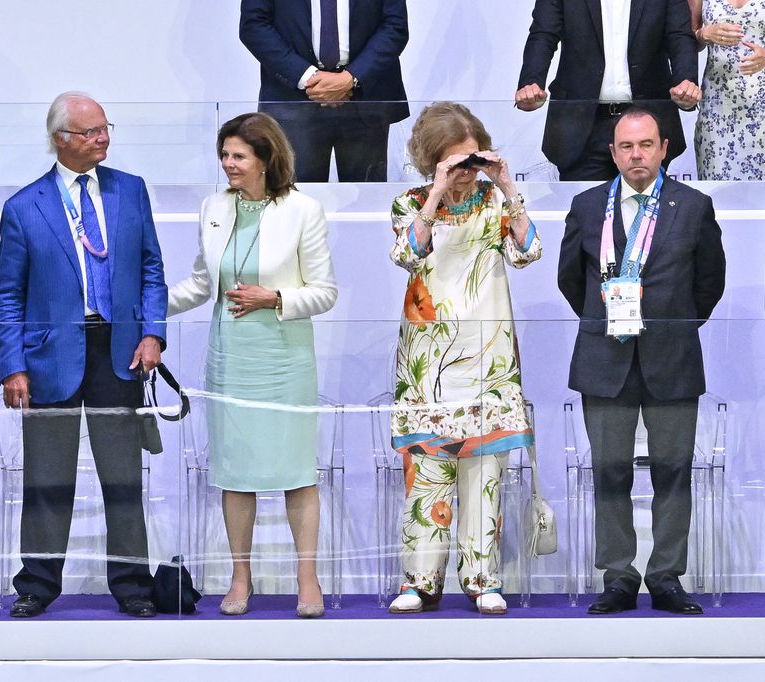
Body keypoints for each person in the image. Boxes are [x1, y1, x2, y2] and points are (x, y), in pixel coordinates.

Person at [0, 92, 167, 619]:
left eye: (105, 128)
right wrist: (12, 364)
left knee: (123, 476)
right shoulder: (25, 207)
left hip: (120, 351)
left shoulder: (130, 191)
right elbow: (8, 295)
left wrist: (153, 333)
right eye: (91, 132)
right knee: (48, 477)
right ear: (60, 140)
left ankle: (133, 584)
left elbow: (151, 269)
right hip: (50, 358)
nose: (104, 138)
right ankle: (38, 585)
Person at [168, 112, 337, 618]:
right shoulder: (213, 207)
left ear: (265, 160)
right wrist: (142, 306)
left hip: (283, 358)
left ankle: (307, 577)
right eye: (224, 155)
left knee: (295, 472)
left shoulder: (304, 210)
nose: (228, 164)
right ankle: (240, 577)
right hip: (231, 357)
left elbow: (324, 292)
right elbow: (202, 286)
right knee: (235, 472)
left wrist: (275, 297)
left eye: (238, 156)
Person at [558, 108, 726, 615]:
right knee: (610, 471)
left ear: (664, 148)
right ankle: (618, 576)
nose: (637, 155)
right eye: (626, 146)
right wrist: (608, 320)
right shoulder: (588, 206)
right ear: (612, 153)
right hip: (603, 360)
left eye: (646, 145)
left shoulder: (693, 205)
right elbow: (571, 280)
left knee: (674, 471)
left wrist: (670, 328)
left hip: (672, 360)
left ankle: (667, 576)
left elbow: (709, 282)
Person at [387, 102, 541, 616]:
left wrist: (508, 186)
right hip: (429, 362)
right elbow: (407, 254)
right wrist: (435, 193)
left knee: (484, 473)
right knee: (426, 473)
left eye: (472, 161)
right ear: (431, 161)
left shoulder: (494, 203)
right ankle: (419, 580)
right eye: (454, 163)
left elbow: (527, 252)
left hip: (488, 361)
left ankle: (482, 578)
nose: (465, 173)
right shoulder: (409, 203)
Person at [516, 0, 701, 180]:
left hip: (647, 122)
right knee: (586, 208)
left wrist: (686, 81)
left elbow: (679, 36)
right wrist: (531, 82)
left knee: (648, 207)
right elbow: (543, 35)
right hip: (582, 127)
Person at [239, 0, 409, 182]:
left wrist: (351, 78)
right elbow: (253, 25)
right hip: (292, 100)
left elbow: (395, 25)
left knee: (366, 200)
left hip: (365, 99)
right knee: (294, 201)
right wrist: (308, 78)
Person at [690, 0, 765, 179]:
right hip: (718, 108)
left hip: (761, 105)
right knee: (717, 189)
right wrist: (703, 34)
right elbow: (683, 38)